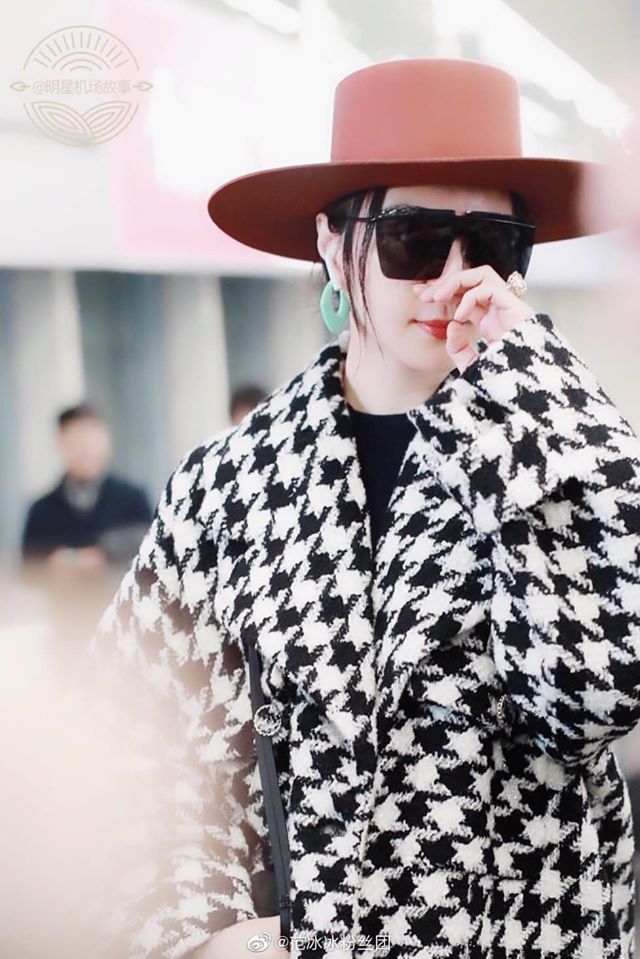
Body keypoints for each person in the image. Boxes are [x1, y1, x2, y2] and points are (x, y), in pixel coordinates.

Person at [87, 59, 640, 959]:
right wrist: (205, 932)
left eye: (492, 244)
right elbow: (130, 737)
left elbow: (594, 693)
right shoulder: (230, 485)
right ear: (333, 242)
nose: (454, 278)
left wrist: (535, 383)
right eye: (414, 239)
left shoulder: (557, 452)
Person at [22, 403, 152, 568]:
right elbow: (29, 565)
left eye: (90, 439)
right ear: (60, 443)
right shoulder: (41, 511)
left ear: (106, 441)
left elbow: (151, 550)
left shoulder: (132, 499)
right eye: (75, 440)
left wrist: (103, 555)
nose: (84, 449)